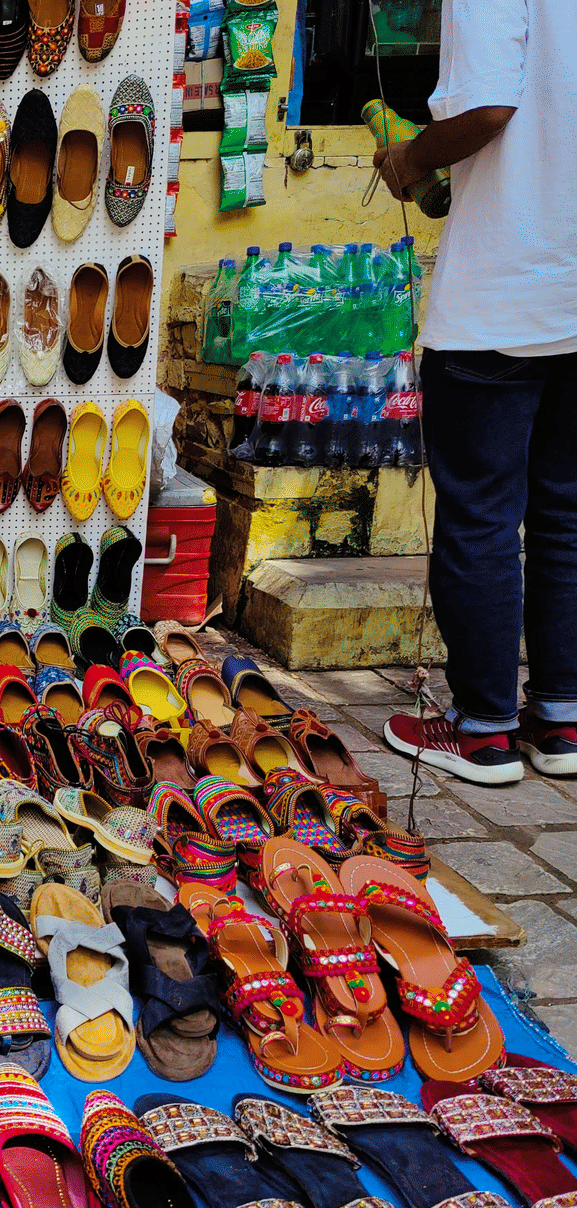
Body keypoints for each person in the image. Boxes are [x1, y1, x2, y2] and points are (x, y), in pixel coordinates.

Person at [375, 0, 577, 786]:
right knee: (562, 511)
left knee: (483, 513)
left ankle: (484, 729)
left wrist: (415, 157)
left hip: (508, 283)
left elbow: (490, 105)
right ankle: (559, 720)